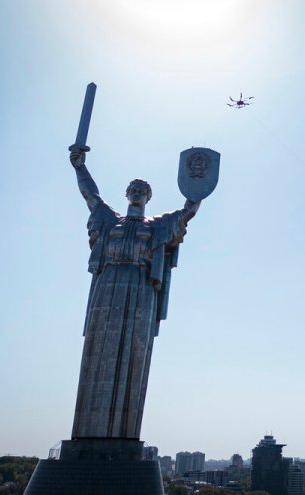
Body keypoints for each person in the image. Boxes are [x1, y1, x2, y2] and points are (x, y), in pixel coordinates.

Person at [68, 149, 200, 439]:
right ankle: (87, 432)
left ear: (148, 198)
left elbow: (186, 212)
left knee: (133, 346)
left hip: (140, 286)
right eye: (134, 189)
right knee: (98, 344)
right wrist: (80, 167)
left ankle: (123, 433)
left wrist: (198, 189)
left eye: (143, 190)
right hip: (108, 283)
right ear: (127, 194)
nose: (138, 192)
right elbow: (91, 196)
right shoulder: (109, 220)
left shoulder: (157, 225)